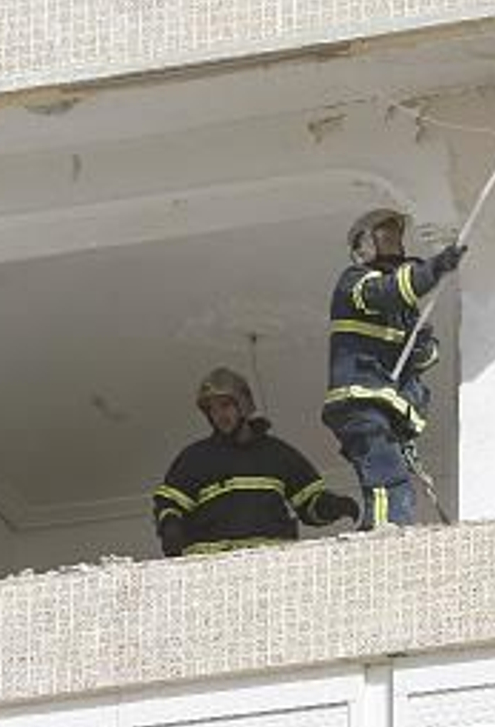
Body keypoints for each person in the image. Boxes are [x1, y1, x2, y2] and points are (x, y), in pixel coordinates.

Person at [322, 208, 466, 528]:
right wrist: (436, 267)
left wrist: (421, 348)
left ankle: (378, 530)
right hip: (360, 401)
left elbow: (426, 356)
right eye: (385, 237)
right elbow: (390, 291)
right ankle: (383, 538)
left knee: (393, 479)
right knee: (388, 477)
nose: (395, 245)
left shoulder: (403, 310)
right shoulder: (355, 282)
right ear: (365, 245)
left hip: (384, 406)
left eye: (396, 238)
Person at [154, 367, 360, 556]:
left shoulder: (277, 454)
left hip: (270, 566)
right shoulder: (195, 458)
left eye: (225, 405)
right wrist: (171, 528)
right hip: (212, 569)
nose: (219, 415)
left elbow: (309, 502)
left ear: (243, 405)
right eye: (212, 409)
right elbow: (169, 504)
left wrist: (332, 506)